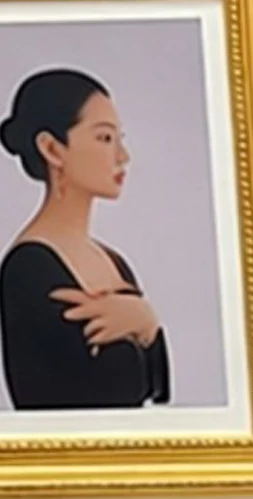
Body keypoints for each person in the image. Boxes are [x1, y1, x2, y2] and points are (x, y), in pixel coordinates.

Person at [0, 67, 169, 409]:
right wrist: (141, 335)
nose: (122, 157)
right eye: (105, 138)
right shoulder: (29, 267)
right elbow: (51, 401)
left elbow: (158, 393)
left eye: (120, 139)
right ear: (52, 148)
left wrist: (148, 325)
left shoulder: (114, 262)